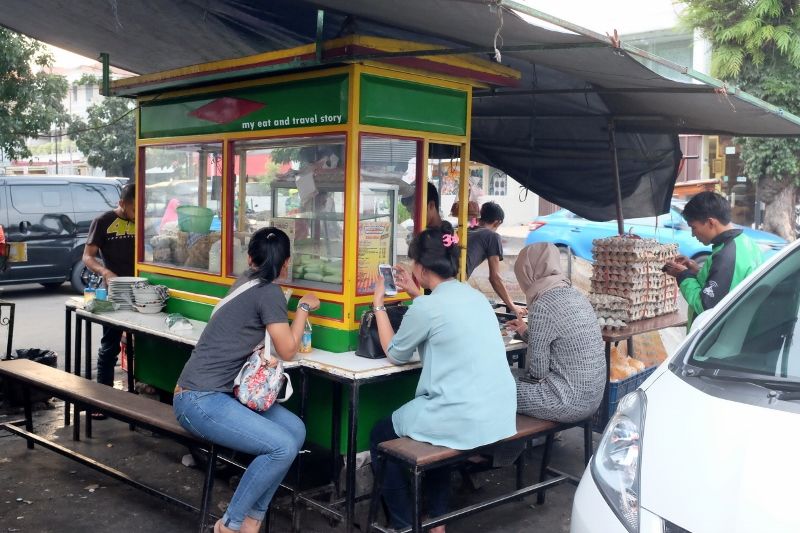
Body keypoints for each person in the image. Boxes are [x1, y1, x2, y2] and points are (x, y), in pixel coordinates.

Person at [370, 225, 517, 532]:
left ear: (421, 268)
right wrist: (416, 294)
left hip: (461, 417)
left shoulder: (427, 306)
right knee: (433, 435)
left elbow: (395, 353)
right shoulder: (474, 297)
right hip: (499, 413)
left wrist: (379, 305)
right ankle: (437, 521)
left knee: (380, 434)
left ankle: (402, 523)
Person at [173, 228, 319, 533]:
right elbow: (288, 349)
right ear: (286, 263)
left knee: (295, 430)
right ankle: (230, 525)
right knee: (280, 447)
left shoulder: (245, 281)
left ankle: (252, 520)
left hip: (212, 394)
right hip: (199, 399)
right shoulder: (269, 292)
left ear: (250, 258)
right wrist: (303, 308)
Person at [506, 243, 605, 423]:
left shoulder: (542, 304)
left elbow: (538, 372)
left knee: (495, 385)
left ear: (528, 272)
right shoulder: (576, 295)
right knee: (508, 377)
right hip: (592, 398)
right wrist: (524, 331)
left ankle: (503, 450)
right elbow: (561, 344)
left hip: (565, 401)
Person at [663, 191, 763, 327]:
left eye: (693, 227)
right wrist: (697, 271)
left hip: (724, 335)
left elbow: (705, 307)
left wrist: (683, 276)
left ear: (710, 222)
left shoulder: (726, 256)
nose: (692, 234)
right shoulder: (744, 242)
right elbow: (728, 283)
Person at [82, 183, 136, 404]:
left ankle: (139, 393)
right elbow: (87, 257)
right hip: (114, 292)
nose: (137, 215)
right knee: (110, 345)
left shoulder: (145, 219)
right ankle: (102, 400)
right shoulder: (103, 221)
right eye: (134, 209)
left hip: (143, 290)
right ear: (122, 203)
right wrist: (104, 271)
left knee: (146, 345)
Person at [465, 201, 524, 318]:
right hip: (451, 282)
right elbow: (495, 278)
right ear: (497, 222)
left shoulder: (467, 230)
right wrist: (513, 306)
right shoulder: (492, 236)